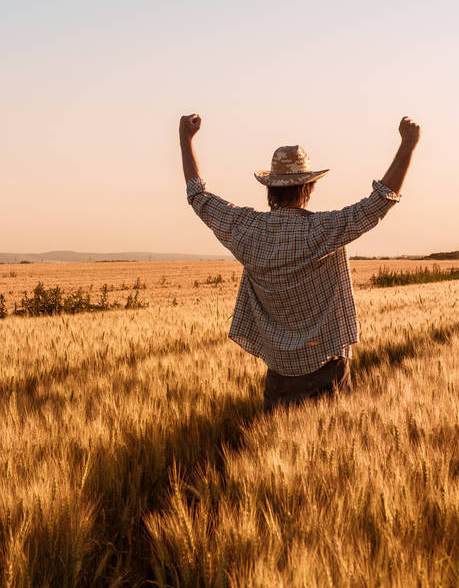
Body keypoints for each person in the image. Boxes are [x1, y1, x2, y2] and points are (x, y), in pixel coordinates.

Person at [179, 114, 421, 411]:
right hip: (326, 373)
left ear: (269, 189)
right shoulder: (322, 230)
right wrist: (408, 145)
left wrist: (185, 139)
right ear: (308, 188)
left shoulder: (246, 230)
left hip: (278, 377)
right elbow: (380, 202)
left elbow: (198, 196)